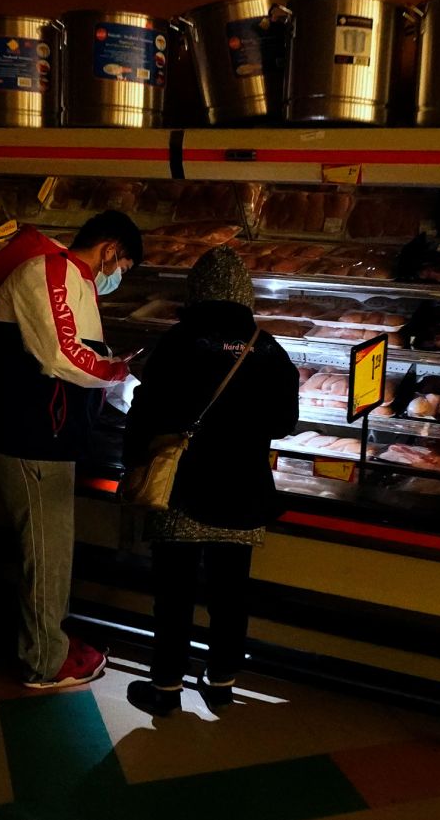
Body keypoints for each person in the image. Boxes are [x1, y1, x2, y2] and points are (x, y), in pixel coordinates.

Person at [121, 246, 299, 716]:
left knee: (174, 593)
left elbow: (147, 407)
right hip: (244, 489)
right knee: (230, 594)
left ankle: (164, 689)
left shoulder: (179, 341)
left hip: (183, 486)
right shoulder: (268, 346)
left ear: (197, 291)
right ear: (245, 293)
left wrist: (133, 461)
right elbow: (285, 421)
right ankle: (221, 682)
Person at [0, 210, 142, 689]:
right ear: (111, 249)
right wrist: (116, 373)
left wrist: (126, 388)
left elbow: (83, 355)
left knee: (53, 548)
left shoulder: (74, 281)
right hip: (29, 435)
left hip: (51, 435)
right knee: (46, 552)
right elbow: (61, 355)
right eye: (124, 266)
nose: (118, 277)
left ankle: (51, 639)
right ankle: (44, 662)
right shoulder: (49, 270)